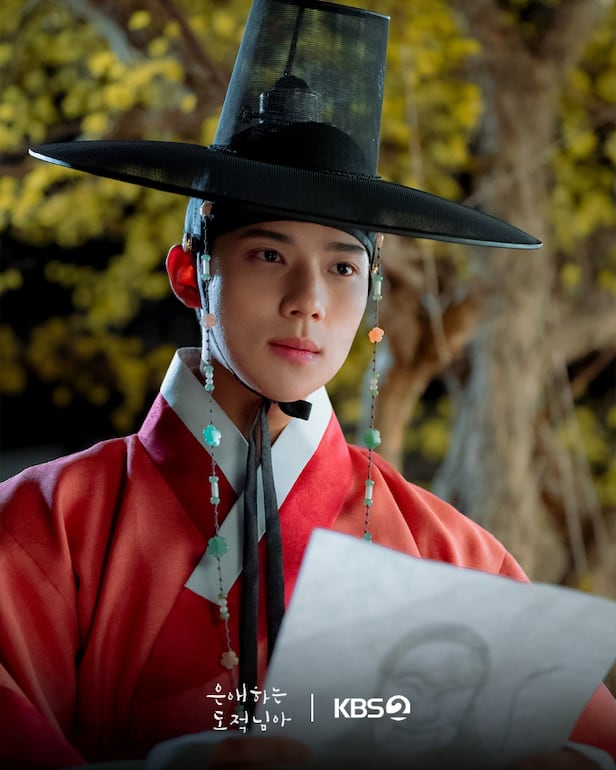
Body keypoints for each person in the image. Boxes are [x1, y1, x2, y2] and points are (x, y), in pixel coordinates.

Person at [1, 0, 615, 768]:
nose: (308, 301)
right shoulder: (46, 527)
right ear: (190, 273)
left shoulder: (452, 551)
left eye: (343, 267)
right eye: (268, 255)